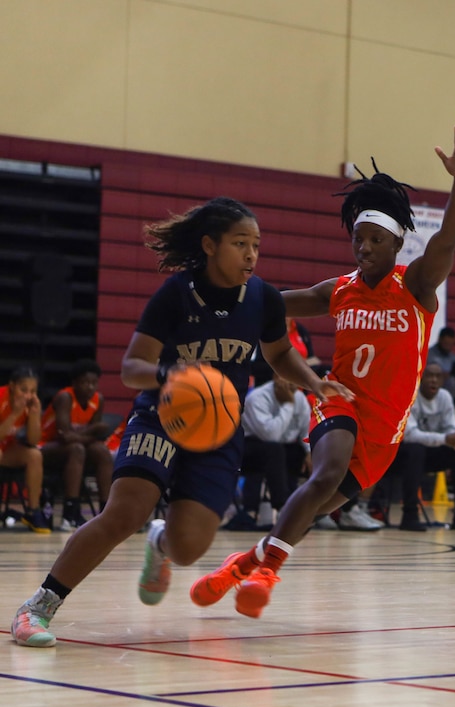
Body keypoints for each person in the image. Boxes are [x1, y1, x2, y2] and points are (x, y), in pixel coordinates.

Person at [11, 196, 352, 647]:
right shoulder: (176, 294)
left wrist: (313, 381)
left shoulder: (264, 299)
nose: (251, 254)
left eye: (256, 245)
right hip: (162, 417)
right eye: (240, 243)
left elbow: (279, 354)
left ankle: (159, 543)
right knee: (124, 513)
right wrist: (171, 374)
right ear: (210, 246)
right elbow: (132, 367)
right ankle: (38, 607)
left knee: (189, 548)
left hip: (220, 429)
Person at [189, 124, 455, 619]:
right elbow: (270, 304)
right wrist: (220, 295)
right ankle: (266, 574)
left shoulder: (415, 286)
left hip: (384, 429)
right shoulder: (339, 290)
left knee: (315, 506)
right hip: (336, 398)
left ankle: (241, 566)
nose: (363, 248)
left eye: (374, 240)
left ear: (396, 245)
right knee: (325, 474)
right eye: (357, 239)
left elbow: (446, 244)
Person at [376, 362, 455, 532]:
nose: (433, 380)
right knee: (416, 449)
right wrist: (445, 438)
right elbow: (410, 435)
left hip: (429, 454)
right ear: (420, 378)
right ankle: (410, 514)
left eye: (438, 376)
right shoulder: (410, 395)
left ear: (443, 381)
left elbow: (451, 426)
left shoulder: (444, 397)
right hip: (401, 456)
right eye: (429, 375)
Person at [39, 358, 114, 531]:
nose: (90, 387)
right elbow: (64, 436)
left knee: (101, 451)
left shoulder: (98, 400)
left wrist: (89, 435)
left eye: (94, 383)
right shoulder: (65, 397)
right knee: (77, 449)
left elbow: (93, 438)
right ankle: (69, 513)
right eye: (85, 382)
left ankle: (107, 510)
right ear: (74, 383)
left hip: (74, 450)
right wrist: (93, 429)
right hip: (47, 447)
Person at [239, 373, 312, 523]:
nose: (291, 382)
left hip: (281, 447)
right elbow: (271, 435)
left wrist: (310, 453)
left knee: (315, 454)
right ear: (276, 378)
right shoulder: (257, 398)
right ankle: (282, 507)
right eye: (287, 377)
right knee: (275, 450)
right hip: (249, 449)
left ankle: (314, 511)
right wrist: (288, 405)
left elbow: (306, 430)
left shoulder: (300, 398)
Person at [0, 366, 51, 534]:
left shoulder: (30, 404)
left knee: (34, 455)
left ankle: (33, 511)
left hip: (6, 450)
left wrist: (35, 415)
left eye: (32, 391)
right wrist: (15, 414)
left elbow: (33, 440)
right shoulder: (1, 397)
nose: (28, 395)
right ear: (12, 386)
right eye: (23, 390)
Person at [427, 326, 455, 399]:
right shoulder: (428, 354)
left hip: (450, 393)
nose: (448, 347)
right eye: (446, 344)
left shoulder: (454, 358)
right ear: (440, 339)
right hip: (430, 390)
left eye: (450, 345)